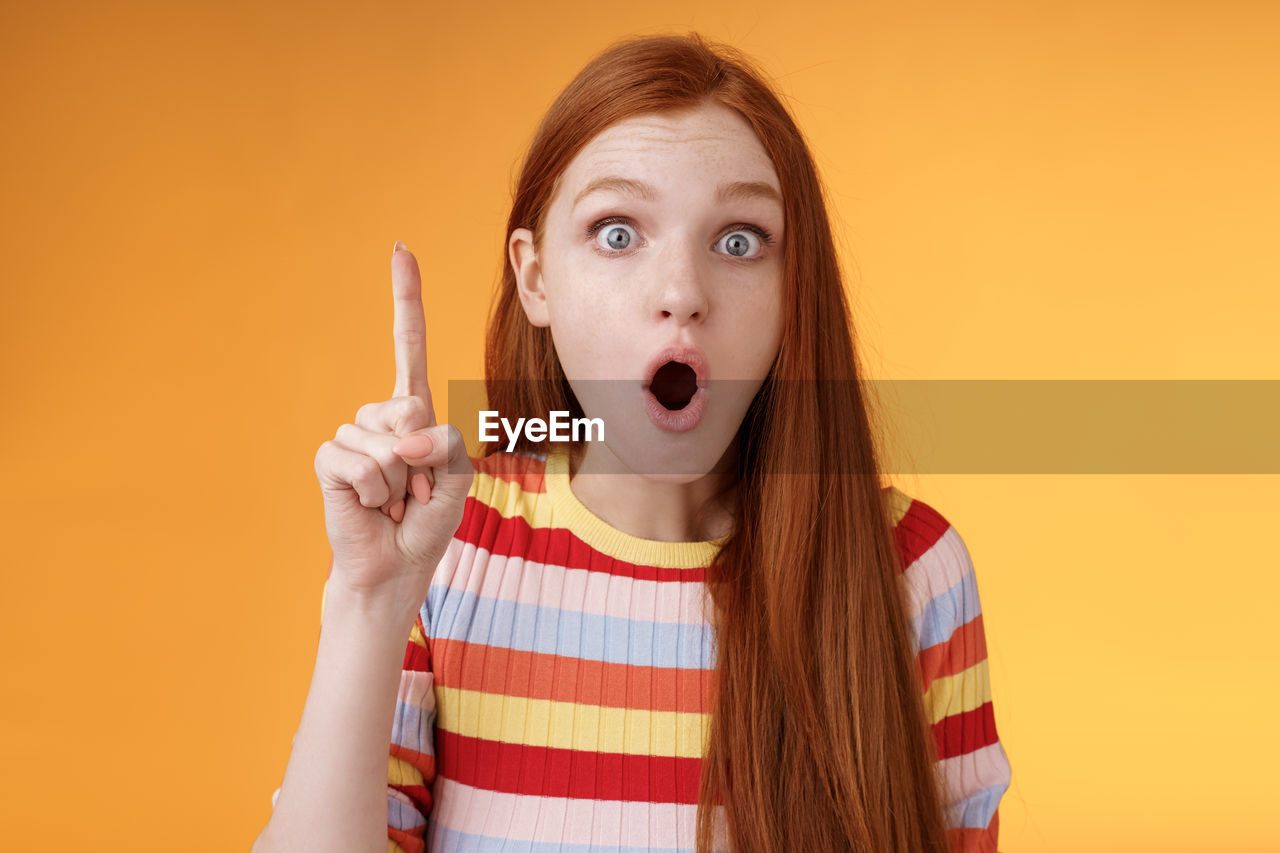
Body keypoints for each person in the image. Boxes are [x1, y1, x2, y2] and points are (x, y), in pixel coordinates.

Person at [254, 32, 1012, 853]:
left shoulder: (913, 569)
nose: (682, 292)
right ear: (536, 277)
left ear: (795, 288)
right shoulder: (448, 545)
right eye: (618, 232)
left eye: (740, 240)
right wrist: (371, 598)